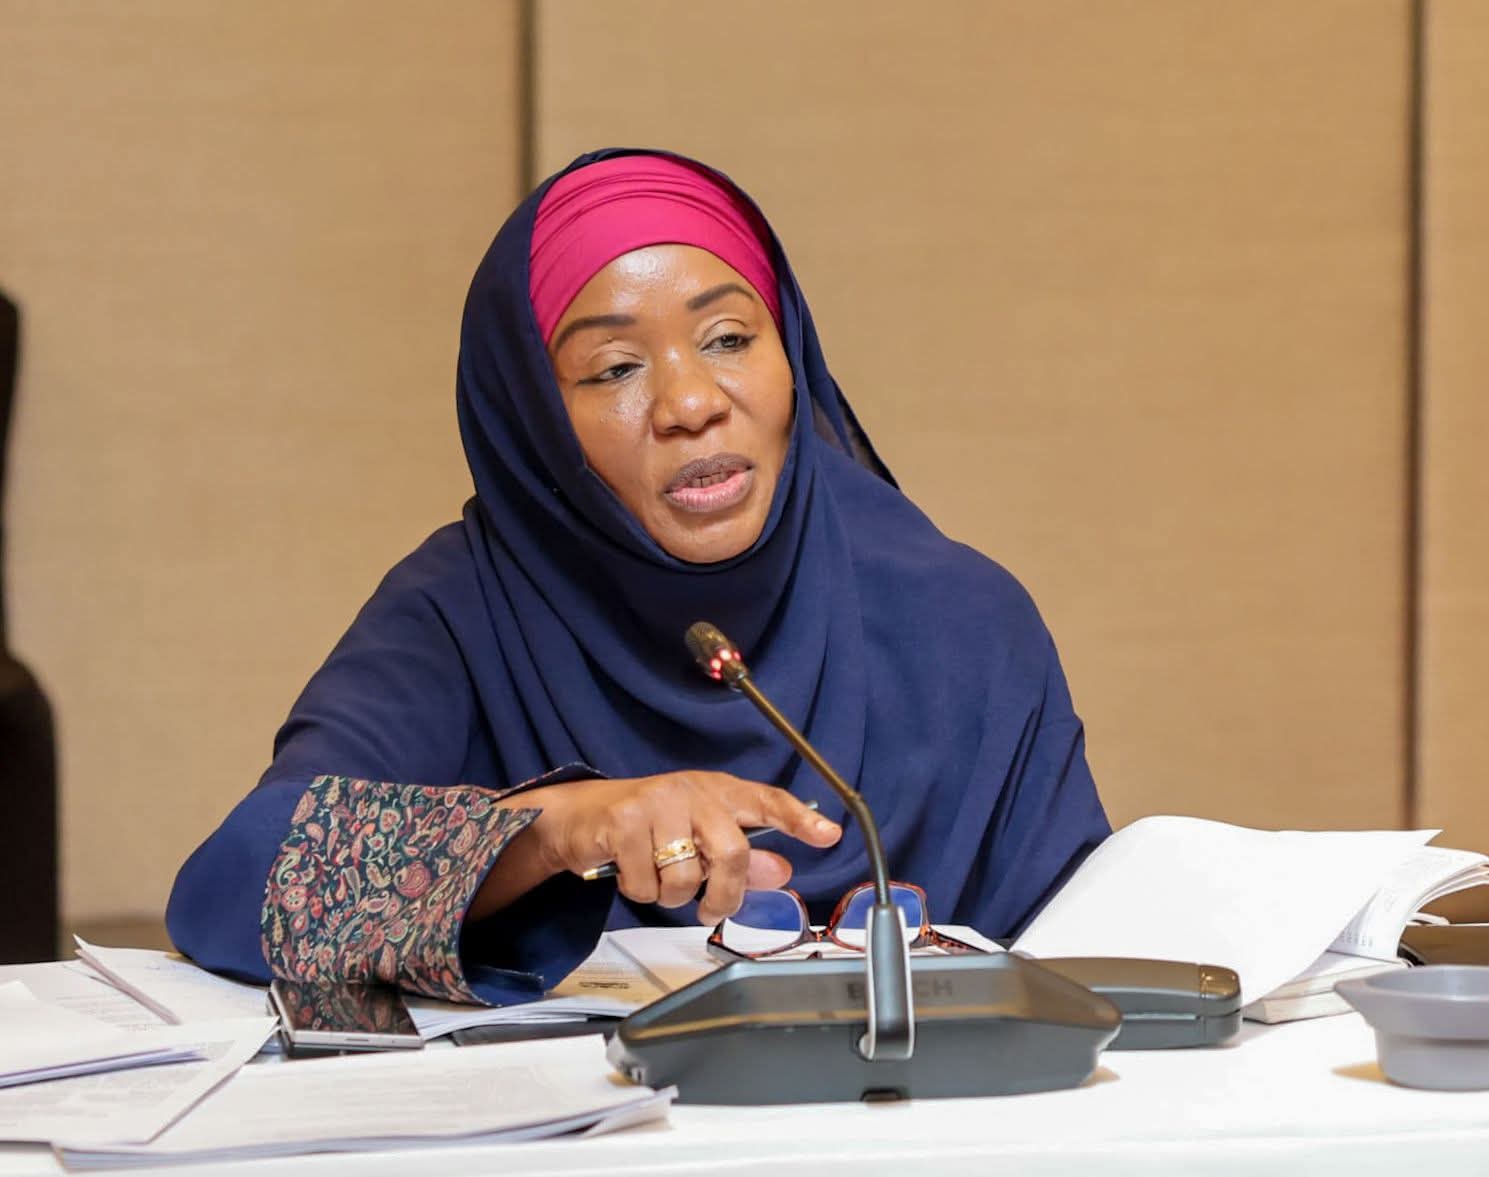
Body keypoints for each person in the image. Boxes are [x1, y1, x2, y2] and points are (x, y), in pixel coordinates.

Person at [166, 149, 1109, 1006]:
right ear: (534, 418)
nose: (690, 403)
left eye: (729, 339)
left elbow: (1091, 961)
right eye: (614, 368)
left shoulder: (960, 617)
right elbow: (236, 885)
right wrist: (552, 826)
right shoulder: (462, 610)